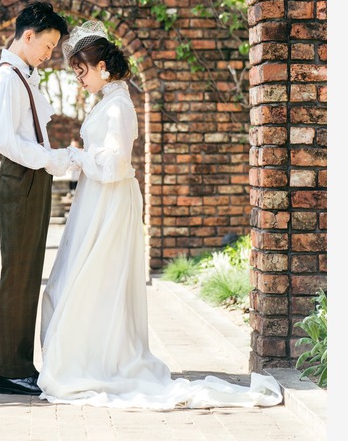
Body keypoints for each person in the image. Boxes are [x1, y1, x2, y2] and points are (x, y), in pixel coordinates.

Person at [37, 20, 285, 408]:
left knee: (95, 282)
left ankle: (99, 362)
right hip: (97, 199)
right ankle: (90, 356)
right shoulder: (107, 101)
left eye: (81, 71)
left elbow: (116, 164)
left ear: (102, 66)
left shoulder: (119, 106)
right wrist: (80, 159)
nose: (78, 79)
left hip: (111, 199)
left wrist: (76, 157)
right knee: (76, 280)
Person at [0, 0, 75, 396]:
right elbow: (3, 140)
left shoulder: (25, 75)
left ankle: (22, 365)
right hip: (21, 176)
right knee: (19, 274)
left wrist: (48, 162)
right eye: (49, 45)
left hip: (32, 176)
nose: (50, 53)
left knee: (28, 272)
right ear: (28, 35)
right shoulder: (7, 77)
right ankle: (12, 369)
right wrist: (51, 160)